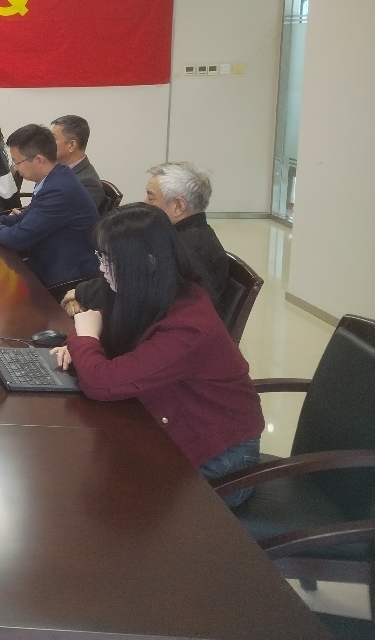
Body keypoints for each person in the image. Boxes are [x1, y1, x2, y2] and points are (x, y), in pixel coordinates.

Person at [51, 204, 263, 507]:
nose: (102, 269)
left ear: (148, 262)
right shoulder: (151, 291)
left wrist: (84, 339)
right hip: (169, 422)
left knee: (111, 501)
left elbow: (101, 382)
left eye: (110, 260)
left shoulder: (189, 325)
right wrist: (84, 345)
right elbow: (108, 335)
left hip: (221, 458)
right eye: (101, 256)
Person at [63, 162, 229, 317]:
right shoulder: (172, 235)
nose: (144, 202)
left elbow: (136, 288)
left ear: (178, 206)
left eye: (151, 197)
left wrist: (81, 294)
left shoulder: (191, 250)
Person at [0, 123, 100, 287]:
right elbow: (22, 218)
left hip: (64, 279)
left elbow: (18, 237)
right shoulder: (54, 178)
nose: (15, 168)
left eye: (17, 162)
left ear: (39, 160)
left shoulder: (59, 190)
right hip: (43, 263)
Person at [50, 115, 109, 215]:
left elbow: (65, 219)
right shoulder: (57, 169)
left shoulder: (88, 183)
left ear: (71, 145)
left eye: (53, 139)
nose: (48, 144)